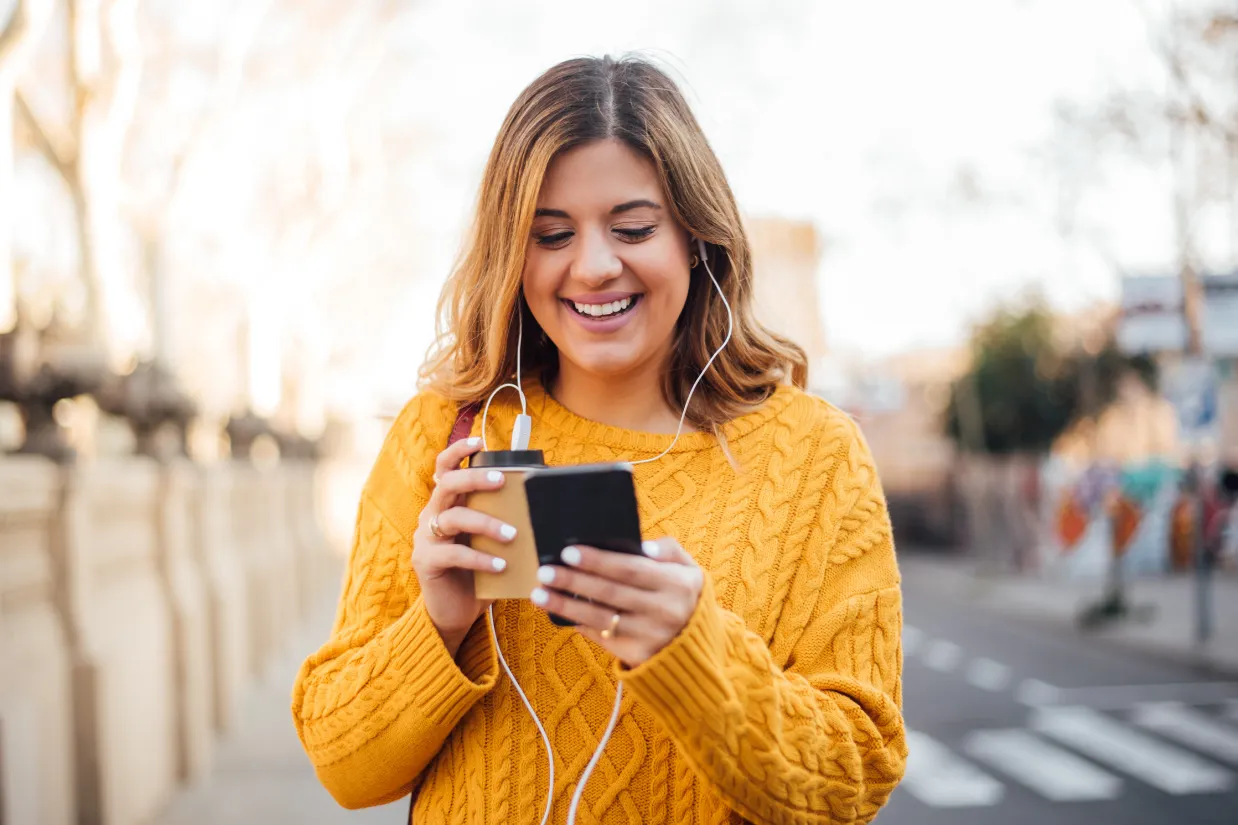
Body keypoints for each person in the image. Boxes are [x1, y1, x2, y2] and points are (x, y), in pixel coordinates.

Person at [291, 54, 906, 825]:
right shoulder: (442, 436)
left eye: (634, 227)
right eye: (551, 235)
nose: (594, 266)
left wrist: (694, 651)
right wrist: (438, 621)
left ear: (695, 235)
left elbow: (855, 778)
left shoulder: (817, 455)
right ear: (511, 256)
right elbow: (344, 767)